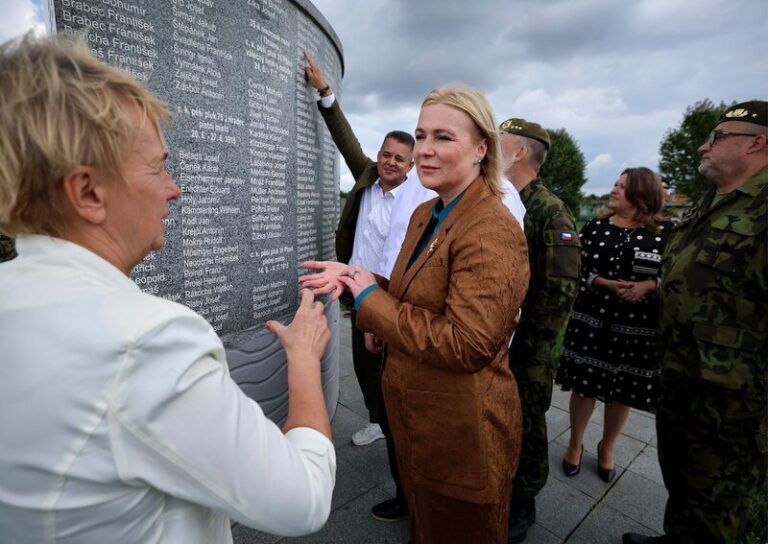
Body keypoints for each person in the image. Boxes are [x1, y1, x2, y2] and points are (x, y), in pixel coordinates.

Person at [0, 33, 335, 543]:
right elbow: (303, 501)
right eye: (158, 166)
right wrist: (306, 361)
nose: (174, 188)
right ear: (88, 193)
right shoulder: (147, 342)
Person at [302, 84, 530, 543]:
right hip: (421, 419)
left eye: (443, 137)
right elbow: (417, 293)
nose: (424, 149)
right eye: (421, 135)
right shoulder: (428, 211)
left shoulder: (491, 227)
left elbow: (468, 344)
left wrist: (372, 303)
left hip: (461, 433)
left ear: (481, 149)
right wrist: (358, 277)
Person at [623, 101, 767, 544]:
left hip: (734, 402)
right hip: (682, 377)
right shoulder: (712, 201)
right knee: (681, 479)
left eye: (717, 137)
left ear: (757, 143)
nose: (704, 147)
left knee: (717, 507)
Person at [555, 167, 670, 484]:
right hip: (592, 320)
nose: (614, 190)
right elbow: (578, 267)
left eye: (622, 186)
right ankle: (575, 443)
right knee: (584, 385)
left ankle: (607, 446)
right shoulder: (595, 228)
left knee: (623, 390)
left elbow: (674, 273)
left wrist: (649, 285)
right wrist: (602, 282)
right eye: (615, 184)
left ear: (642, 193)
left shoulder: (664, 234)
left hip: (637, 328)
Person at [498, 118, 580, 543]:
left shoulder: (549, 210)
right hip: (503, 340)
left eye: (499, 141)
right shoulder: (503, 199)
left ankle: (523, 501)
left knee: (527, 422)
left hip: (530, 345)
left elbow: (560, 291)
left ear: (519, 153)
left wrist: (527, 345)